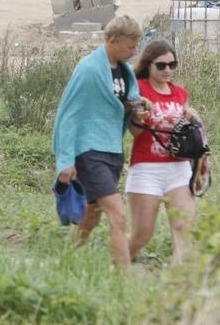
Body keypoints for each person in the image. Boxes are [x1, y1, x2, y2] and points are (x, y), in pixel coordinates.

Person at [53, 15, 150, 272]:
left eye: (136, 45)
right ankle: (122, 280)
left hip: (112, 150)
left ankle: (65, 264)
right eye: (130, 46)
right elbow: (69, 114)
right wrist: (65, 160)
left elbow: (119, 104)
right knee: (118, 215)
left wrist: (136, 107)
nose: (134, 51)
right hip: (90, 150)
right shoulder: (89, 69)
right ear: (112, 40)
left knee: (90, 217)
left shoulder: (124, 70)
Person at [127, 41, 202, 264]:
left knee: (184, 230)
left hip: (178, 168)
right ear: (148, 65)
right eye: (161, 66)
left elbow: (191, 132)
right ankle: (117, 263)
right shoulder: (139, 89)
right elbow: (134, 132)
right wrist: (138, 115)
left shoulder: (180, 93)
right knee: (142, 235)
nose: (168, 70)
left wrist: (192, 117)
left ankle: (177, 284)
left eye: (172, 64)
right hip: (147, 168)